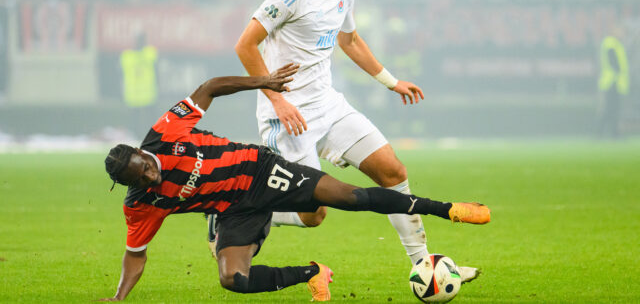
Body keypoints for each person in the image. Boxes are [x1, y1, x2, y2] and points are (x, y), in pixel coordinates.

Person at [99, 64, 490, 301]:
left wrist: (263, 82)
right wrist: (119, 297)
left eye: (148, 166)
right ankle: (313, 272)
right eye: (143, 178)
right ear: (130, 184)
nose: (153, 174)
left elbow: (210, 87)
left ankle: (449, 209)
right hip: (233, 211)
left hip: (260, 171)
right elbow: (135, 254)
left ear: (141, 150)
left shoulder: (165, 132)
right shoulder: (141, 203)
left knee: (349, 197)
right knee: (232, 280)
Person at [229, 0, 479, 280]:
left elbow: (350, 41)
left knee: (393, 171)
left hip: (328, 105)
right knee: (313, 214)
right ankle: (238, 207)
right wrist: (276, 100)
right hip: (288, 116)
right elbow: (244, 45)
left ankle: (425, 266)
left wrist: (391, 82)